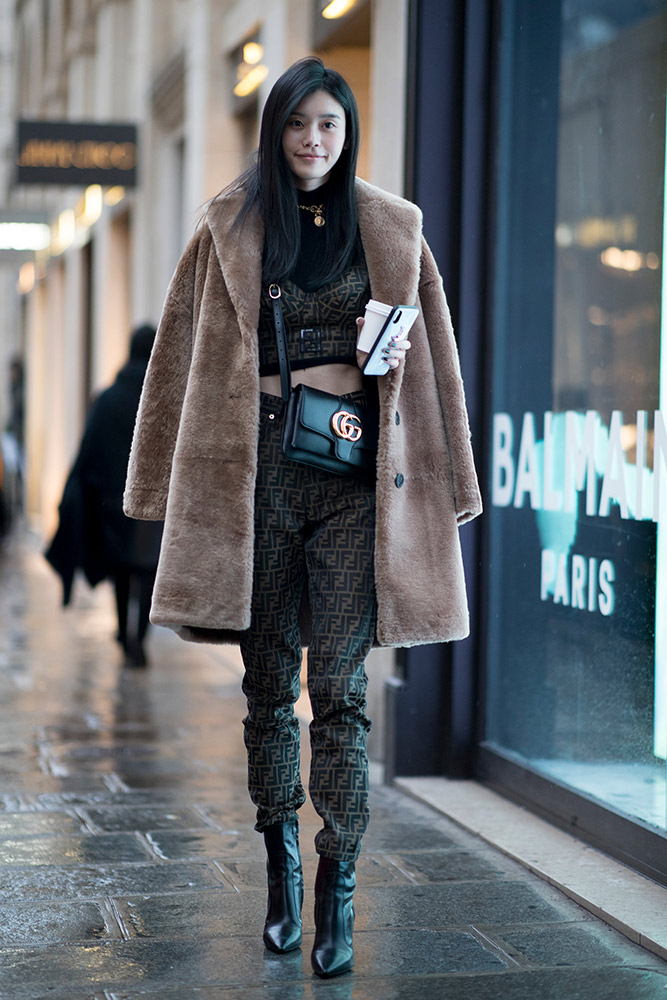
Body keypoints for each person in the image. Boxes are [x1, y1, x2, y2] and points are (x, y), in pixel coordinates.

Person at [124, 57, 482, 977]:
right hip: (257, 486)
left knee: (344, 694)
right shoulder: (228, 228)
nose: (312, 141)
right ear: (274, 130)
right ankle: (280, 860)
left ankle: (338, 883)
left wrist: (455, 485)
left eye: (328, 124)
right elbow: (176, 362)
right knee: (266, 686)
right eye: (297, 125)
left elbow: (436, 363)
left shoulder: (393, 231)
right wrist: (155, 488)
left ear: (347, 129)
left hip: (356, 489)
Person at [46, 325, 162, 668]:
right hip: (154, 504)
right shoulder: (162, 397)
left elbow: (89, 450)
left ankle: (124, 634)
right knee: (147, 570)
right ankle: (139, 638)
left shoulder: (107, 398)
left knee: (122, 571)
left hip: (113, 503)